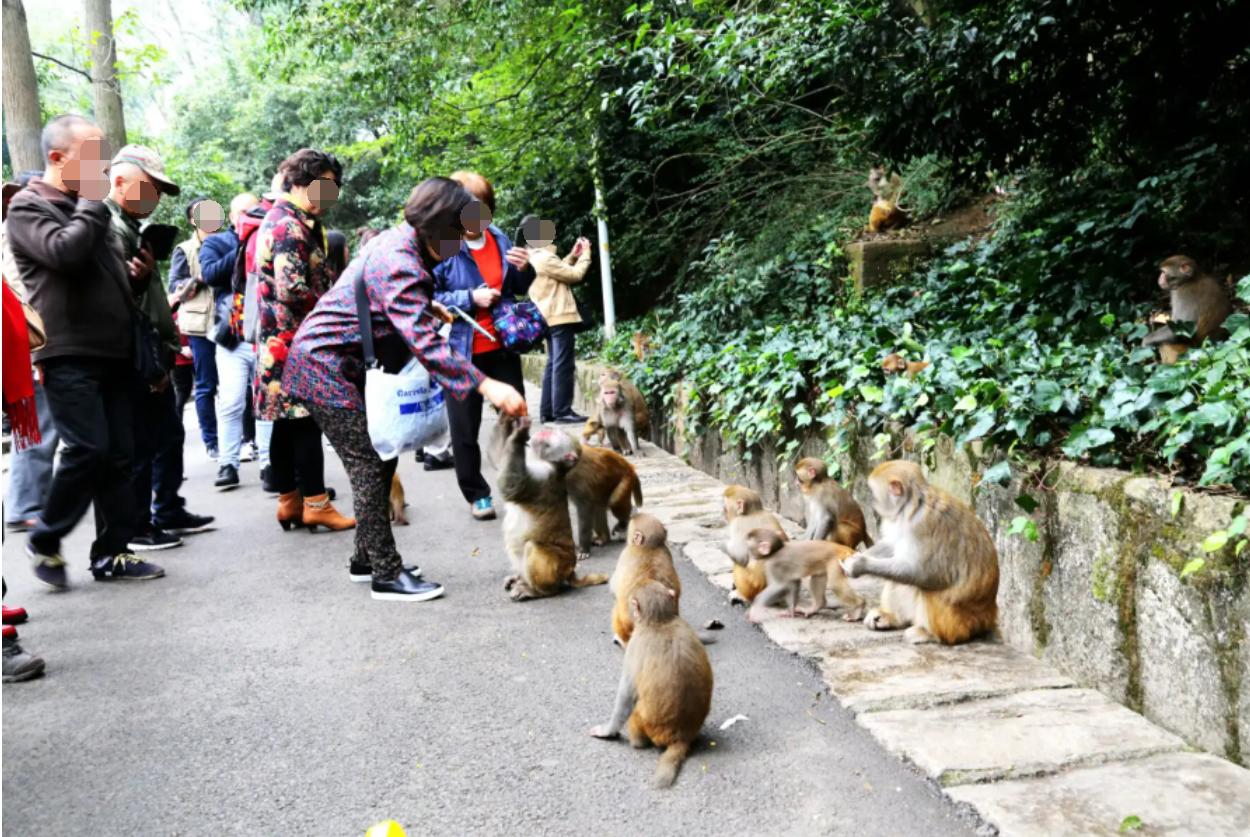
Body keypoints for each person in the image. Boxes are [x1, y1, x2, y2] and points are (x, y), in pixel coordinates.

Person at [284, 177, 527, 601]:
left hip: (339, 363)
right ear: (436, 228)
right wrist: (487, 386)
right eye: (456, 234)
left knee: (380, 459)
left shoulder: (403, 242)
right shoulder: (401, 258)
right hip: (323, 367)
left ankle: (367, 559)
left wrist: (429, 304)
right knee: (367, 465)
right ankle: (386, 574)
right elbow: (427, 344)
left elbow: (380, 293)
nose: (459, 244)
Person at [7, 114, 162, 584]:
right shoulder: (28, 207)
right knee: (88, 449)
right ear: (57, 157)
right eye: (91, 156)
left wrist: (134, 279)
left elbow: (101, 275)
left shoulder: (86, 207)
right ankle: (46, 535)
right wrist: (94, 202)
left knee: (119, 454)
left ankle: (113, 553)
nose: (100, 167)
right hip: (67, 351)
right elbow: (64, 254)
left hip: (114, 350)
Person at [104, 145, 215, 550]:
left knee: (166, 435)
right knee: (139, 444)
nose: (153, 198)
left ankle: (166, 508)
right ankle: (135, 526)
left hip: (154, 345)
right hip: (132, 352)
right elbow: (113, 299)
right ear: (119, 181)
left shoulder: (131, 228)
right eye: (148, 187)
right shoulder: (106, 226)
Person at [253, 148, 353, 531]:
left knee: (285, 422)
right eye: (325, 186)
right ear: (300, 183)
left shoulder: (292, 220)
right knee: (307, 420)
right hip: (295, 342)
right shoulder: (288, 226)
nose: (331, 195)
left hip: (281, 342)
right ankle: (315, 502)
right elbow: (291, 289)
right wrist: (332, 304)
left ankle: (289, 501)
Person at [433, 170, 533, 521]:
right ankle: (477, 494)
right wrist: (469, 297)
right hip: (461, 349)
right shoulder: (444, 244)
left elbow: (516, 287)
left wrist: (524, 269)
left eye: (483, 208)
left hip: (502, 345)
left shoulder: (500, 238)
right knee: (464, 428)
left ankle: (519, 485)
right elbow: (429, 295)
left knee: (517, 419)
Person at [3, 172, 60, 534]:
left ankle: (34, 498)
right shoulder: (16, 234)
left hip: (27, 338)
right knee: (40, 423)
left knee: (43, 423)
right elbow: (23, 291)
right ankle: (25, 503)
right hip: (29, 340)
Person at [201, 192, 261, 491]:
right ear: (232, 216)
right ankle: (228, 463)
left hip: (264, 333)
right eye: (244, 213)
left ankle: (270, 464)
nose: (249, 217)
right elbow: (210, 275)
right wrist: (241, 244)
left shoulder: (270, 237)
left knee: (266, 401)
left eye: (254, 211)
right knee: (232, 401)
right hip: (232, 336)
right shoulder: (217, 242)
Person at [518, 215, 592, 423]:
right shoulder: (543, 257)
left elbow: (557, 272)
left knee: (553, 363)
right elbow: (574, 275)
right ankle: (562, 411)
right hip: (559, 316)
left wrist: (572, 255)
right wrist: (586, 254)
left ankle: (548, 411)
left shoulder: (532, 257)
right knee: (563, 364)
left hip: (546, 317)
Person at [168, 197, 222, 458]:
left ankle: (248, 439)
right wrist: (200, 279)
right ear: (193, 220)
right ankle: (211, 441)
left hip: (228, 322)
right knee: (206, 384)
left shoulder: (229, 241)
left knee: (241, 385)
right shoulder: (184, 249)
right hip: (199, 325)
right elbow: (175, 288)